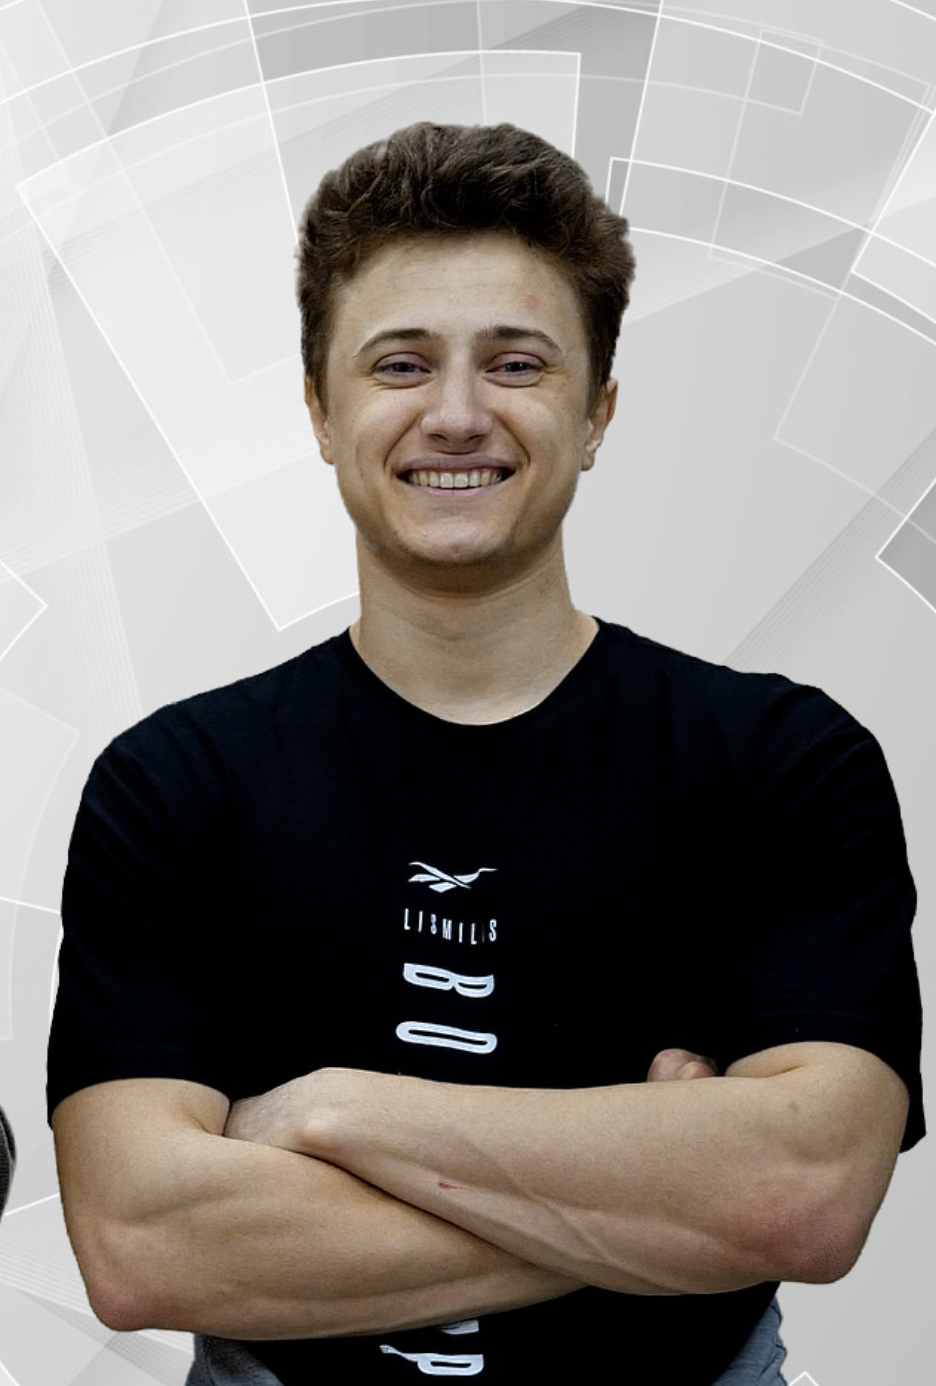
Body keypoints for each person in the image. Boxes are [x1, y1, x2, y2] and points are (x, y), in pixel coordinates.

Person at [48, 123, 923, 1386]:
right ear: (320, 410)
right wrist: (663, 1200)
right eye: (400, 364)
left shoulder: (782, 764)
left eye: (516, 363)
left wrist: (334, 1111)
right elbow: (142, 1246)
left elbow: (805, 1194)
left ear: (598, 409)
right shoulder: (175, 785)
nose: (457, 416)